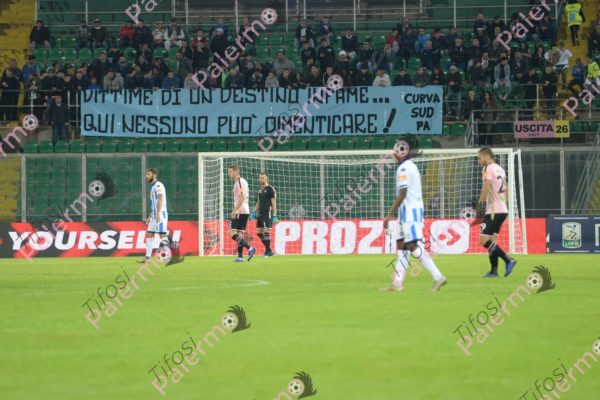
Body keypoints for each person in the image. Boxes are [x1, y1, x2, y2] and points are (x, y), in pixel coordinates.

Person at [382, 139, 447, 292]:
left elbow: (403, 193)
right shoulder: (411, 166)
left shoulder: (404, 169)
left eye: (395, 152)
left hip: (410, 213)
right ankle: (397, 283)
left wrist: (389, 215)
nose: (393, 155)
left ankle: (438, 276)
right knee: (402, 246)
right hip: (407, 212)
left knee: (411, 245)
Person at [477, 147, 516, 278]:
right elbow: (506, 189)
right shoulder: (500, 169)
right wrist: (505, 205)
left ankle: (508, 260)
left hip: (494, 211)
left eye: (479, 157)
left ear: (486, 155)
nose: (479, 160)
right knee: (492, 241)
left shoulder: (487, 168)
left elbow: (486, 186)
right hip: (502, 210)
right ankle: (494, 271)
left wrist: (480, 202)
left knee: (483, 240)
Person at [138, 168, 171, 264]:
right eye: (146, 174)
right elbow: (154, 204)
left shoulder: (158, 185)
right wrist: (150, 216)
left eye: (148, 174)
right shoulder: (153, 187)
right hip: (155, 215)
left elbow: (160, 199)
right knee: (149, 234)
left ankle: (168, 256)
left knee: (162, 234)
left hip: (161, 214)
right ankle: (147, 257)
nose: (146, 176)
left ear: (154, 175)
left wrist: (157, 214)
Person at [227, 165, 256, 262]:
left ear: (236, 171)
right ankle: (240, 257)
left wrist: (235, 210)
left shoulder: (239, 182)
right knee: (239, 234)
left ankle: (250, 248)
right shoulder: (242, 181)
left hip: (240, 210)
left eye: (230, 171)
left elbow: (242, 197)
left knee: (232, 233)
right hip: (245, 210)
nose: (229, 173)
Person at [251, 172, 278, 257]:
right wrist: (254, 211)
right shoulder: (260, 190)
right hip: (260, 213)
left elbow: (274, 202)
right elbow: (259, 201)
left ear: (266, 178)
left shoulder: (270, 189)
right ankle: (269, 250)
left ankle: (267, 251)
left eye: (262, 178)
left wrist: (274, 214)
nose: (260, 179)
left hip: (267, 213)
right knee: (259, 232)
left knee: (266, 231)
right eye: (259, 178)